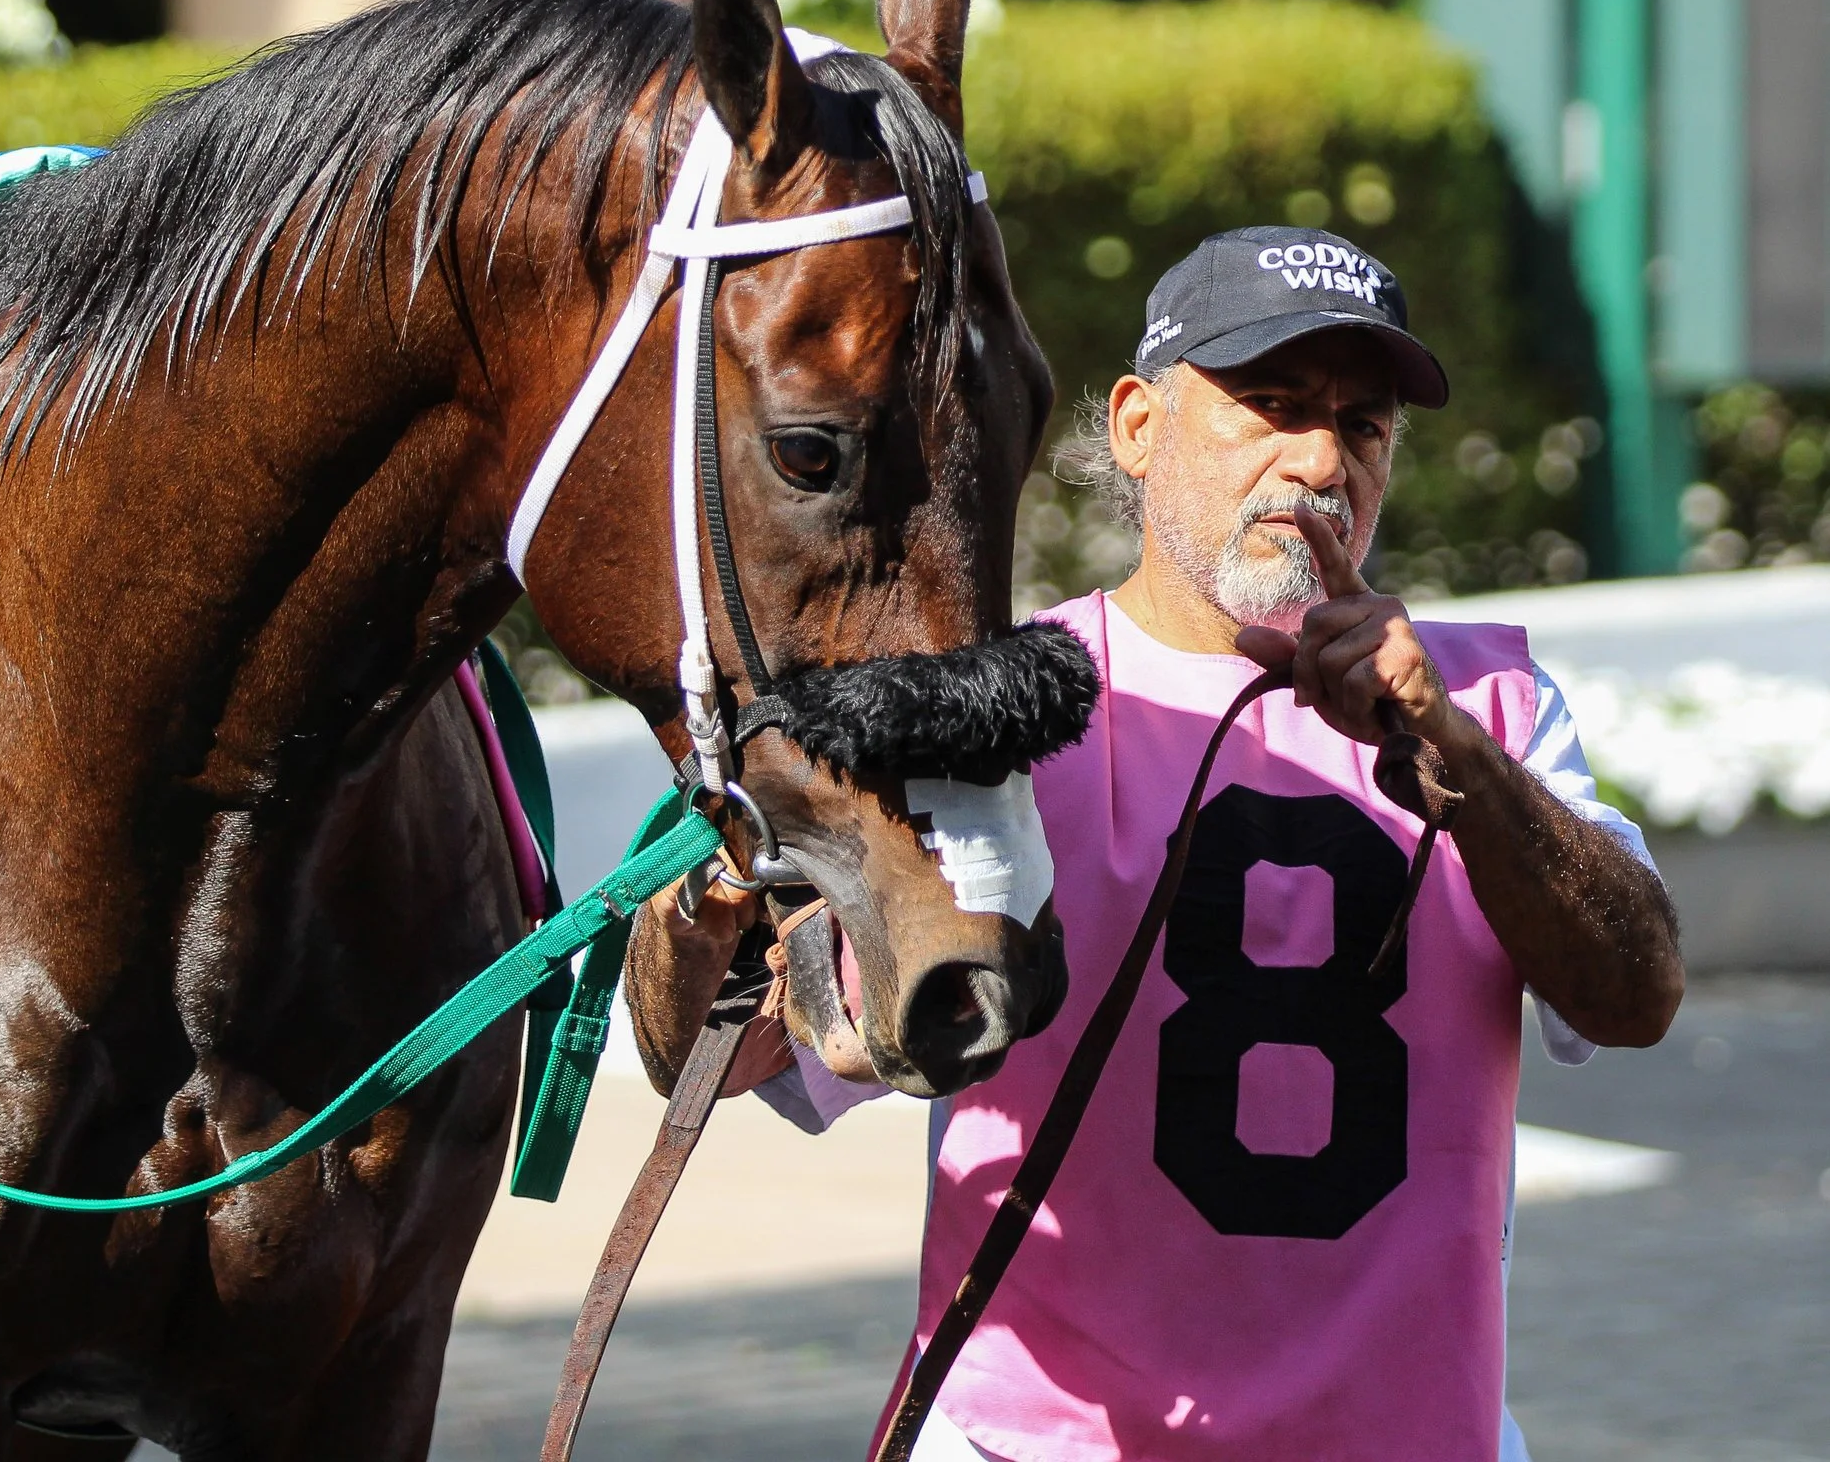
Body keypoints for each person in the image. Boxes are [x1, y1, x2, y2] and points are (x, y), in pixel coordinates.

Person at [627, 225, 1683, 1461]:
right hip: (1038, 1442)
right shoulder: (998, 715)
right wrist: (705, 893)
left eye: (1362, 424)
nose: (1318, 459)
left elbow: (1633, 994)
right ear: (1137, 424)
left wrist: (1449, 752)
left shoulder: (1491, 705)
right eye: (1269, 404)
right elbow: (735, 1049)